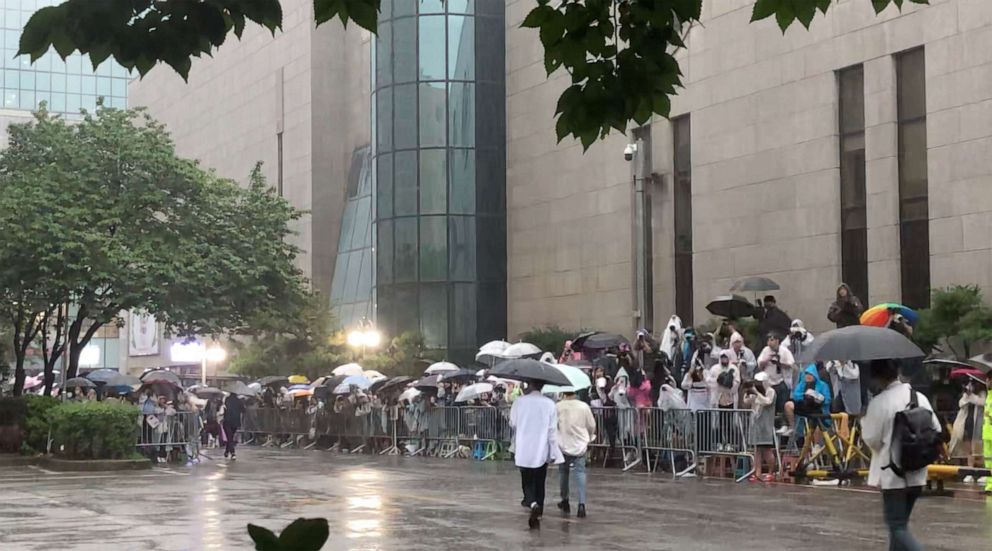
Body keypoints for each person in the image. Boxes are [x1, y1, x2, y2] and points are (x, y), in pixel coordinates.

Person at [862, 359, 940, 550]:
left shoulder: (879, 402)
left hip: (893, 474)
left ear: (877, 377)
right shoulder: (919, 397)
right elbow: (936, 428)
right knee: (899, 527)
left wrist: (865, 421)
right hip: (917, 472)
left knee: (897, 527)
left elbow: (872, 439)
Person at [509, 380, 563, 529]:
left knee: (526, 480)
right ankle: (538, 513)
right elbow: (552, 431)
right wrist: (554, 451)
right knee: (540, 481)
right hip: (542, 448)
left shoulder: (519, 402)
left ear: (530, 385)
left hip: (524, 447)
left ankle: (532, 503)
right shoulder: (549, 404)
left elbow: (513, 423)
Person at [556, 390, 596, 519]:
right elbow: (591, 425)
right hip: (579, 444)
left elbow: (553, 425)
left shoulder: (558, 406)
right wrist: (589, 436)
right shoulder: (583, 406)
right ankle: (581, 504)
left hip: (562, 443)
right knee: (580, 472)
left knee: (563, 472)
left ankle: (565, 500)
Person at [757, 333, 796, 433]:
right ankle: (771, 425)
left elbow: (791, 364)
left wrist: (779, 363)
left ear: (777, 341)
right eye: (769, 340)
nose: (770, 342)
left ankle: (784, 424)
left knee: (782, 404)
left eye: (773, 339)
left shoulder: (784, 351)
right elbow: (760, 364)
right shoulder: (765, 351)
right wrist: (768, 359)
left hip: (781, 380)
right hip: (769, 382)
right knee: (769, 404)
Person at [744, 372, 777, 482]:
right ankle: (757, 472)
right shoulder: (755, 392)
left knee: (767, 449)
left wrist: (756, 392)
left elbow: (767, 402)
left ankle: (771, 472)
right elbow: (746, 402)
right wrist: (748, 393)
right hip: (755, 423)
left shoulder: (771, 391)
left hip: (765, 424)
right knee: (756, 450)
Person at [222, 393, 244, 460]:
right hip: (235, 422)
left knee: (229, 437)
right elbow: (243, 410)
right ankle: (228, 452)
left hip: (227, 420)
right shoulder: (239, 401)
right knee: (230, 437)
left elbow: (224, 409)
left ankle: (232, 452)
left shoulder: (227, 399)